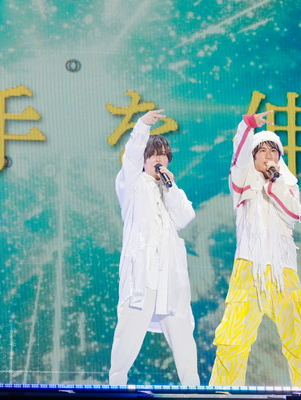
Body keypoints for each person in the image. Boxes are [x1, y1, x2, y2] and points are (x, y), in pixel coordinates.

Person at [209, 111, 301, 387]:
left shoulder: (287, 185)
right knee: (233, 338)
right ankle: (224, 391)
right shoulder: (242, 181)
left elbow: (294, 215)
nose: (268, 156)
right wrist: (247, 126)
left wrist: (276, 182)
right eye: (262, 150)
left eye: (274, 151)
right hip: (250, 268)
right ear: (254, 156)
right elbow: (238, 154)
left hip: (284, 270)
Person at [109, 109, 200, 386]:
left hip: (170, 277)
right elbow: (130, 157)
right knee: (129, 332)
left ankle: (194, 389)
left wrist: (170, 188)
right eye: (153, 155)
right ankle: (116, 386)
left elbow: (185, 217)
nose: (159, 159)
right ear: (144, 159)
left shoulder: (170, 189)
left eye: (163, 155)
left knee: (182, 333)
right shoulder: (132, 185)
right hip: (143, 276)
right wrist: (141, 127)